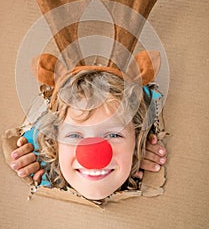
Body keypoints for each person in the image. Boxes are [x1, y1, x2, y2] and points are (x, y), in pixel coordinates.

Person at [10, 69, 166, 201]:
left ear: (137, 141)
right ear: (54, 145)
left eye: (113, 135)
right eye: (74, 136)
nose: (93, 154)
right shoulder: (41, 175)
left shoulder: (140, 157)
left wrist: (139, 155)